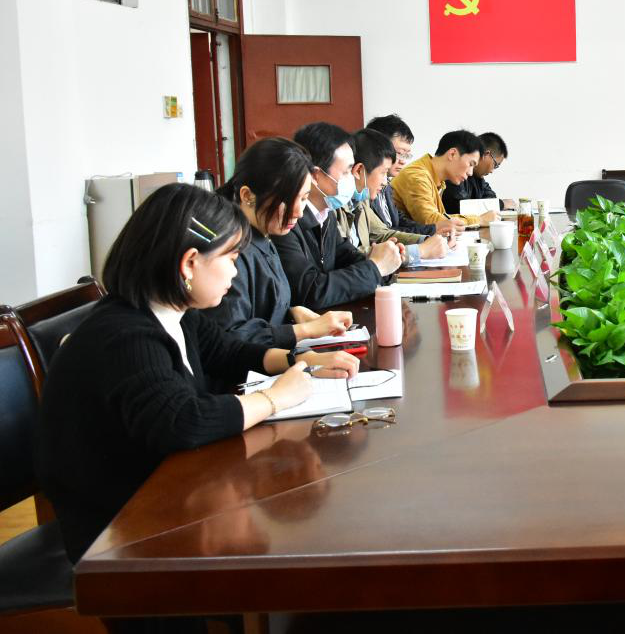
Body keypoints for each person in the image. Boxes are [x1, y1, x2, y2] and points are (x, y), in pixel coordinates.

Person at [35, 183, 360, 564]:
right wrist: (274, 398)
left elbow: (229, 352)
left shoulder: (173, 312)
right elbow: (183, 422)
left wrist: (301, 362)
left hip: (162, 496)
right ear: (190, 263)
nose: (235, 271)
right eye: (231, 258)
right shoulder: (126, 335)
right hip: (118, 533)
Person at [204, 137, 355, 348]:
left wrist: (292, 313)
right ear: (247, 196)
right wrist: (304, 331)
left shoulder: (264, 234)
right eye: (288, 200)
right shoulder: (229, 250)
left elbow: (263, 310)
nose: (299, 212)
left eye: (304, 198)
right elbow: (229, 340)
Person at [277, 122, 403, 310]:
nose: (352, 178)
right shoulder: (286, 222)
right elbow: (310, 291)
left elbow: (346, 256)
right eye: (345, 172)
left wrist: (384, 260)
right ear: (316, 175)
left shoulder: (325, 215)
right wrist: (375, 268)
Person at [337, 128, 452, 259]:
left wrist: (426, 241)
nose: (385, 182)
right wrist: (418, 251)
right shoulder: (334, 206)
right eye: (383, 172)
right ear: (358, 171)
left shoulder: (360, 201)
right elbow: (346, 257)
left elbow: (381, 233)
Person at [364, 114, 463, 239]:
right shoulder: (365, 188)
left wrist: (434, 229)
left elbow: (400, 221)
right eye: (399, 153)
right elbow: (382, 232)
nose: (403, 161)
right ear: (379, 147)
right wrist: (432, 231)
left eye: (406, 155)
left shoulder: (386, 185)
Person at [391, 129, 499, 228]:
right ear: (452, 154)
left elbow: (438, 218)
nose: (470, 173)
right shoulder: (417, 176)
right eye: (471, 164)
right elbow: (430, 221)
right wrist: (479, 220)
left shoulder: (436, 180)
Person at [442, 131, 512, 213]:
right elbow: (462, 207)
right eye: (495, 164)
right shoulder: (455, 171)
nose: (492, 171)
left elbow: (491, 198)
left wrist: (495, 204)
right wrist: (501, 204)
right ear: (486, 154)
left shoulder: (478, 177)